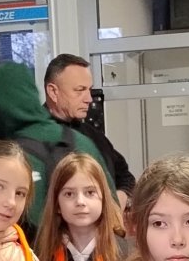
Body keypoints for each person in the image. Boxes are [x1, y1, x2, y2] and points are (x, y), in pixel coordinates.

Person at [0, 62, 118, 232]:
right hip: (89, 246)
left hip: (24, 248)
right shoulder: (81, 141)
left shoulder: (4, 158)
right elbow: (112, 209)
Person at [43, 53, 137, 208]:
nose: (89, 99)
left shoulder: (94, 137)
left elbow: (125, 177)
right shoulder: (28, 140)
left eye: (89, 90)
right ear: (53, 92)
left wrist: (117, 202)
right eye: (79, 90)